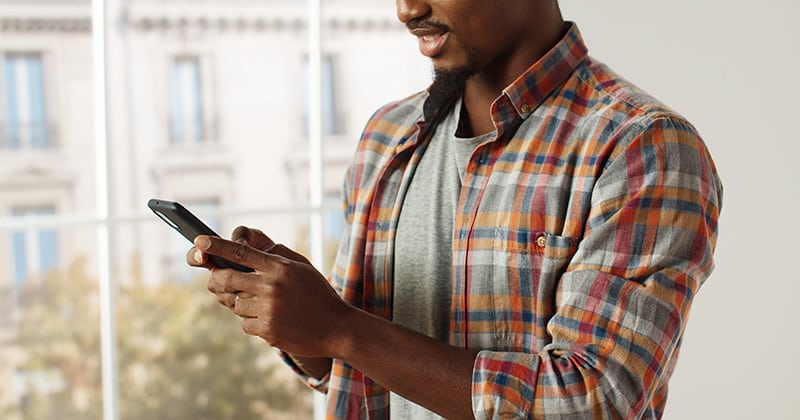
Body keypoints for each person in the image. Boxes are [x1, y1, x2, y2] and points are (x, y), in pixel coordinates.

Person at [188, 0, 722, 418]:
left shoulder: (639, 146)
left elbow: (591, 401)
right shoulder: (386, 138)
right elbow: (359, 374)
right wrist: (299, 317)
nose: (406, 10)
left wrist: (340, 327)